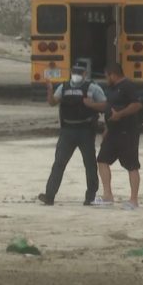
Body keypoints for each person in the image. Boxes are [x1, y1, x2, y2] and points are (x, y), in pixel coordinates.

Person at [38, 63, 107, 206]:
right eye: (74, 72)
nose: (76, 75)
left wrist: (91, 105)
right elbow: (52, 102)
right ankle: (49, 195)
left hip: (86, 131)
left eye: (79, 73)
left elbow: (105, 105)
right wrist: (50, 91)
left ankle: (90, 196)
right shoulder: (63, 87)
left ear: (85, 75)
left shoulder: (93, 88)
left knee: (89, 164)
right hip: (67, 131)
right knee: (59, 163)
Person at [87, 63, 143, 210]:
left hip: (127, 132)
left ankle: (133, 200)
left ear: (113, 74)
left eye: (106, 76)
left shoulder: (128, 86)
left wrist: (121, 114)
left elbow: (137, 105)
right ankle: (107, 195)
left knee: (132, 165)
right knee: (102, 160)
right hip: (112, 131)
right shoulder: (111, 88)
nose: (106, 79)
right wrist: (92, 105)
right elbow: (107, 106)